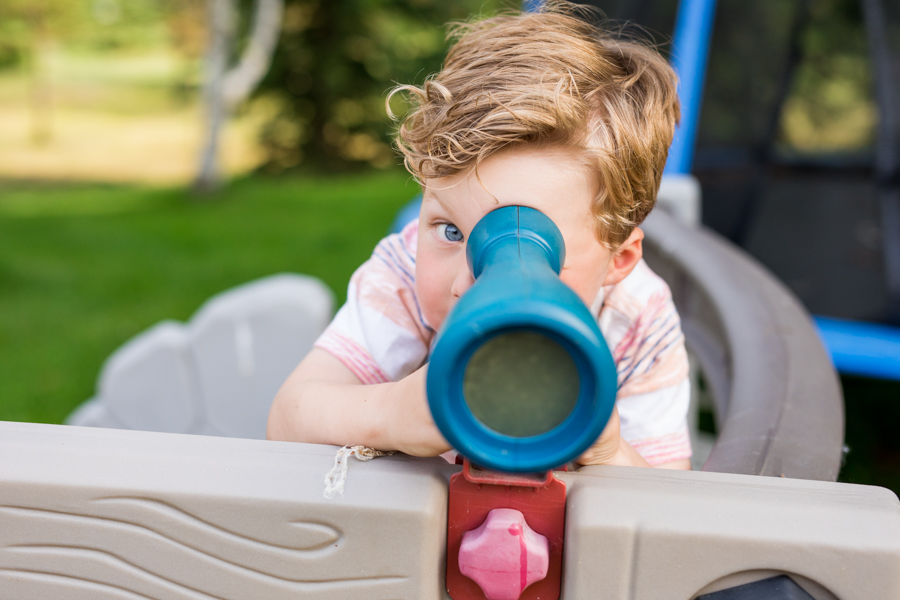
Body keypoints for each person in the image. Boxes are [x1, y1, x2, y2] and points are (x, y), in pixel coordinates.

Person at [268, 3, 691, 470]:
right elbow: (288, 418)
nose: (471, 279)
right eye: (450, 231)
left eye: (532, 245)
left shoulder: (635, 318)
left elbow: (668, 504)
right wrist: (390, 413)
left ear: (619, 260)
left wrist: (608, 451)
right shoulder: (402, 275)